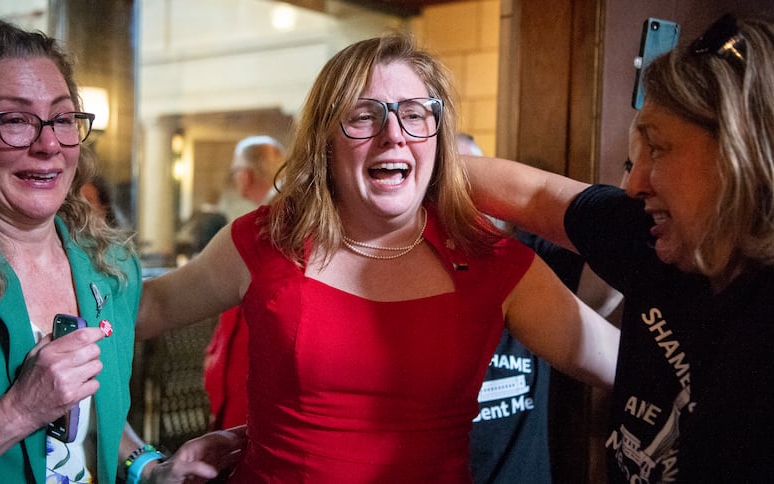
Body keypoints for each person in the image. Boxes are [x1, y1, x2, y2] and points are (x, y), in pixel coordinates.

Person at [137, 32, 619, 482]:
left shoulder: (493, 261)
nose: (394, 134)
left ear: (438, 135)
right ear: (325, 139)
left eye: (415, 114)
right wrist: (139, 461)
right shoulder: (265, 240)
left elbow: (628, 365)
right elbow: (135, 312)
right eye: (364, 115)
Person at [465, 13, 774, 483]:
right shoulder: (655, 235)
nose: (632, 185)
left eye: (658, 149)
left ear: (740, 154)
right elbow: (536, 196)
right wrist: (411, 166)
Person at [0, 18, 241, 483]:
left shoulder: (106, 266)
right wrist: (20, 410)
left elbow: (92, 416)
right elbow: (40, 403)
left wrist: (150, 468)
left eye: (62, 119)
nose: (49, 144)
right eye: (15, 120)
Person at [460, 133, 623, 484]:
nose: (460, 204)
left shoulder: (522, 261)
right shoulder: (406, 280)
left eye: (474, 185)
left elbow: (608, 284)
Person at [204, 135, 284, 430]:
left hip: (251, 390)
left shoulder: (269, 225)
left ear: (246, 175)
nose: (236, 177)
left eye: (235, 170)